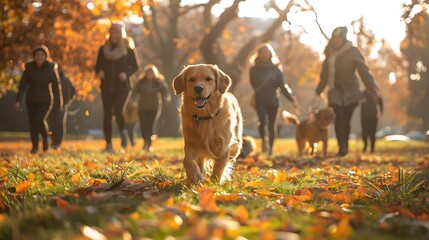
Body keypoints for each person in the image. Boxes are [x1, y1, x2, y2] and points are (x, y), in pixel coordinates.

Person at [316, 26, 380, 156]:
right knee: (339, 117)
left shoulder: (353, 51)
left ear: (344, 38)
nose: (336, 40)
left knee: (346, 120)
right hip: (334, 90)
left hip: (351, 92)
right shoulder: (328, 53)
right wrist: (318, 91)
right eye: (334, 38)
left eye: (339, 38)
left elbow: (364, 71)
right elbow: (324, 75)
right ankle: (342, 147)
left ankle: (344, 143)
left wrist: (372, 88)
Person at [95, 21, 139, 152]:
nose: (114, 35)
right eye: (112, 33)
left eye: (117, 33)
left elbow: (135, 66)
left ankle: (124, 133)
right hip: (106, 86)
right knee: (107, 114)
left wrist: (126, 74)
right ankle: (108, 145)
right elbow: (97, 66)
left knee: (118, 111)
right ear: (109, 34)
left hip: (123, 87)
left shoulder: (128, 49)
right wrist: (100, 71)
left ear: (121, 34)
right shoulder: (103, 49)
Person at [249, 43, 298, 155]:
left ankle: (270, 148)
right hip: (260, 99)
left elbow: (282, 85)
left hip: (273, 100)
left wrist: (290, 98)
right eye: (262, 53)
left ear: (270, 54)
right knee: (262, 121)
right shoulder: (253, 69)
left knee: (272, 125)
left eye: (266, 53)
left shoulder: (276, 69)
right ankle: (263, 141)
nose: (264, 55)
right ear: (258, 54)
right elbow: (253, 84)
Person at [15, 45, 63, 154]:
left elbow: (56, 86)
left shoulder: (51, 68)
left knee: (38, 120)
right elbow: (22, 85)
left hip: (45, 100)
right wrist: (18, 100)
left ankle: (45, 137)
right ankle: (35, 147)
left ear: (46, 56)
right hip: (31, 100)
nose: (39, 57)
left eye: (42, 54)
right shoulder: (29, 68)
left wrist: (59, 102)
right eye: (37, 54)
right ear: (34, 56)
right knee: (33, 124)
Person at [133, 64, 170, 152]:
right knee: (143, 125)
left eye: (151, 73)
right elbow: (134, 92)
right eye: (148, 73)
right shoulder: (141, 82)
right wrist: (133, 100)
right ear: (145, 73)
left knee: (150, 125)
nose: (149, 75)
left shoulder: (159, 82)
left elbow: (165, 91)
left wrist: (166, 97)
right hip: (142, 107)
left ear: (154, 73)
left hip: (154, 107)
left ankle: (148, 145)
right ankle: (145, 141)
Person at [48, 64, 76, 151]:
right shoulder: (50, 80)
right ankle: (53, 142)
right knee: (52, 125)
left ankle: (58, 143)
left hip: (63, 105)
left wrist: (68, 101)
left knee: (60, 124)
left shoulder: (66, 80)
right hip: (51, 105)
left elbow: (73, 91)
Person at [360, 89, 383, 153]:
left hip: (373, 116)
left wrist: (381, 111)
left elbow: (380, 101)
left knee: (372, 133)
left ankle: (372, 149)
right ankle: (365, 145)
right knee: (365, 133)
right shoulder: (363, 93)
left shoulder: (376, 93)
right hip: (364, 116)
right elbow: (358, 100)